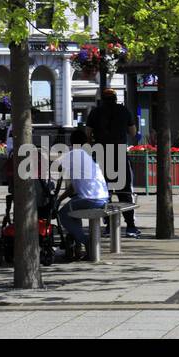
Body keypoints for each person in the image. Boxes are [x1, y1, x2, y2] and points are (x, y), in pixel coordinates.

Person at [86, 89, 141, 238]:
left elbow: (88, 133)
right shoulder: (124, 110)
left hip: (103, 154)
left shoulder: (95, 112)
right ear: (115, 99)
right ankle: (130, 226)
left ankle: (109, 226)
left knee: (106, 192)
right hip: (120, 154)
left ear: (102, 99)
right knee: (125, 192)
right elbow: (133, 132)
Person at [57, 128, 111, 260]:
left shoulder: (73, 154)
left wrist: (57, 200)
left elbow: (57, 168)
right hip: (103, 198)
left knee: (63, 214)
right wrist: (60, 199)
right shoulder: (88, 156)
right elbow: (73, 189)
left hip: (90, 199)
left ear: (71, 142)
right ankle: (79, 243)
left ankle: (85, 241)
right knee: (73, 207)